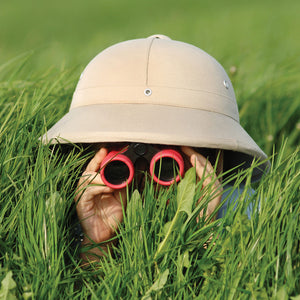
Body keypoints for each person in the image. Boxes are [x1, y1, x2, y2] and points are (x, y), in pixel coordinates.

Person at [42, 35, 269, 262]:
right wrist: (97, 241)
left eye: (166, 164)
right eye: (121, 157)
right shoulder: (68, 208)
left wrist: (201, 230)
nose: (144, 170)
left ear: (208, 155)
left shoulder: (241, 207)